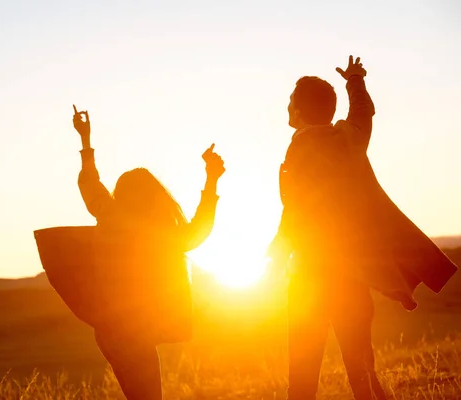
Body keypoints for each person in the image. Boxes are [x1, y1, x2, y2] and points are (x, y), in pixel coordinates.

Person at [267, 56, 457, 400]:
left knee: (303, 376)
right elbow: (362, 114)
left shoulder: (303, 147)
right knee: (362, 372)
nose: (287, 105)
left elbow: (297, 210)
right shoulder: (349, 139)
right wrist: (355, 80)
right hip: (351, 276)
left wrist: (276, 254)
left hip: (311, 275)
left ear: (301, 109)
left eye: (291, 100)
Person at [72, 105, 225, 400]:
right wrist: (212, 179)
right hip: (137, 332)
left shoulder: (109, 215)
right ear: (156, 198)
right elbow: (199, 231)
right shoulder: (161, 236)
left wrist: (85, 140)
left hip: (107, 329)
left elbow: (89, 184)